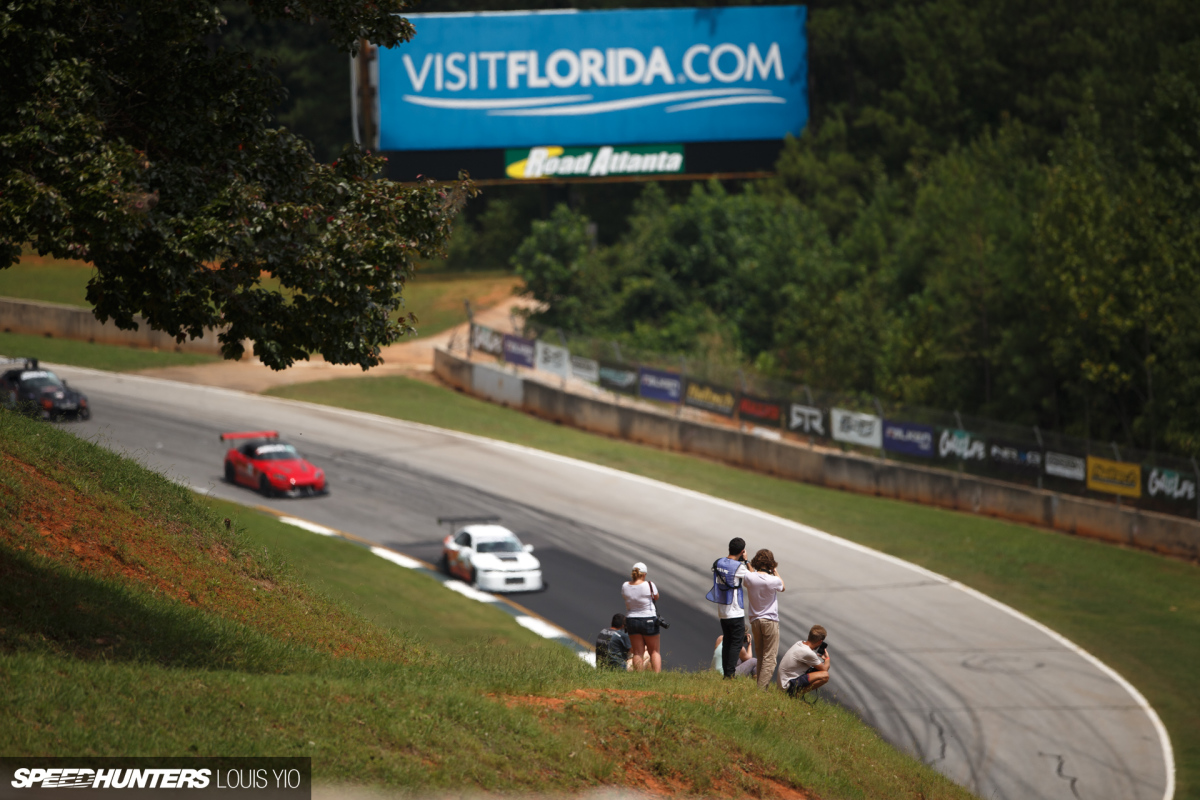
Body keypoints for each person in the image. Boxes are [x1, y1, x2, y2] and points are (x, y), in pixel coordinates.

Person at [706, 537, 751, 679]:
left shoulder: (719, 562)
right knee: (736, 644)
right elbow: (754, 578)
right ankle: (729, 675)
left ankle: (726, 673)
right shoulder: (739, 567)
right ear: (742, 551)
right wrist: (747, 561)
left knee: (727, 642)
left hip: (722, 611)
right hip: (735, 611)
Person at [743, 548, 785, 691]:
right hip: (770, 621)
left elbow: (753, 575)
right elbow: (782, 587)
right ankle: (761, 691)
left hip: (755, 621)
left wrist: (747, 562)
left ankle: (759, 688)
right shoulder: (774, 580)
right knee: (770, 658)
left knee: (761, 656)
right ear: (771, 563)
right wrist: (775, 571)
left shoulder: (749, 578)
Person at [621, 561, 662, 672]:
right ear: (644, 574)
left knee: (637, 652)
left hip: (631, 620)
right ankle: (657, 676)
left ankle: (639, 676)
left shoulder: (625, 586)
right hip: (648, 619)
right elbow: (656, 597)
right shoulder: (649, 585)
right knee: (654, 651)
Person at [778, 625, 831, 697]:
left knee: (816, 670)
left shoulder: (799, 643)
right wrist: (827, 659)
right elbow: (824, 670)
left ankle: (795, 693)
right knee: (825, 676)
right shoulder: (808, 653)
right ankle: (796, 695)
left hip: (782, 682)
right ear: (820, 642)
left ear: (809, 636)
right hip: (787, 685)